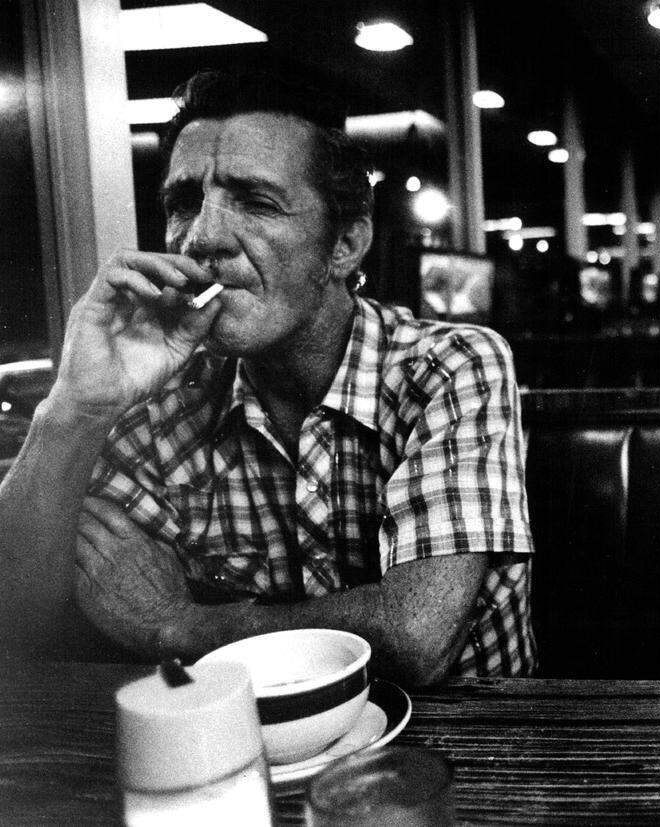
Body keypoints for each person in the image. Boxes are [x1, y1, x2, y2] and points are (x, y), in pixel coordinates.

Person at [0, 71, 535, 685]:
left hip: (476, 749)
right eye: (184, 203)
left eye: (256, 202)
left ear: (345, 245)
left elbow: (416, 637)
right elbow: (15, 621)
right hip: (250, 748)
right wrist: (76, 409)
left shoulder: (450, 365)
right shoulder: (162, 390)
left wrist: (174, 627)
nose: (202, 237)